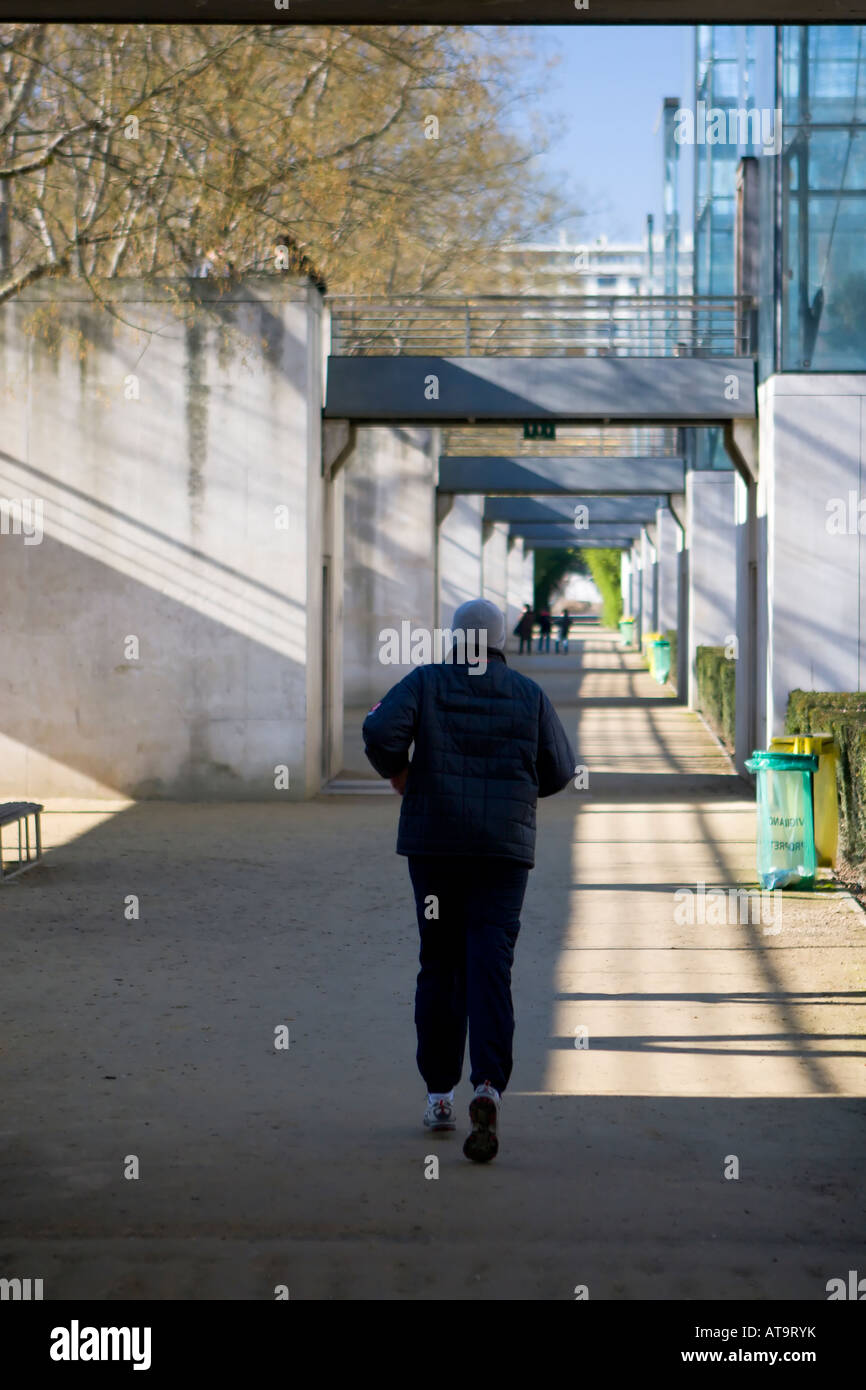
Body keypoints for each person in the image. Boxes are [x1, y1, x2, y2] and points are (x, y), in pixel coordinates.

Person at [362, 599, 575, 1163]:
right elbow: (558, 768)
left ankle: (438, 1097)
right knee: (490, 963)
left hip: (434, 852)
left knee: (439, 962)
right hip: (502, 857)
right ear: (502, 640)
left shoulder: (426, 682)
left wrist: (401, 774)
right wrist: (513, 797)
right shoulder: (528, 695)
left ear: (456, 638)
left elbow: (378, 729)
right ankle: (487, 1085)